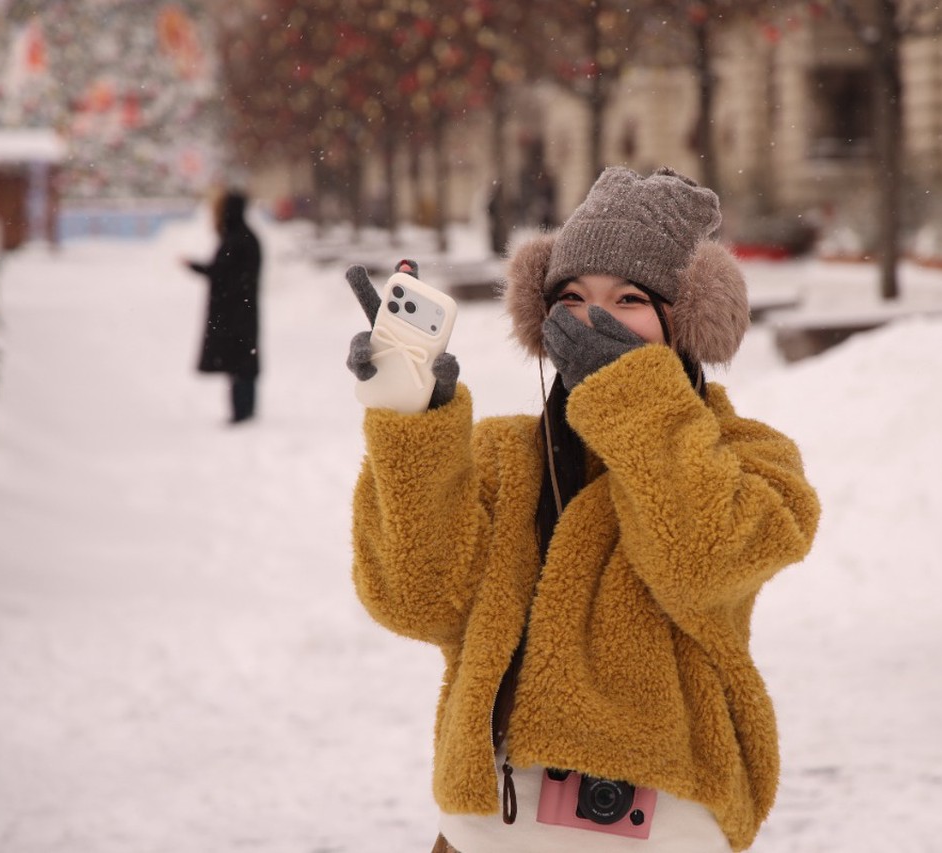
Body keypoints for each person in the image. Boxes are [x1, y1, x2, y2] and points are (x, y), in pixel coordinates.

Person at [346, 166, 820, 852]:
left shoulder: (750, 457)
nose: (593, 320)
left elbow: (700, 562)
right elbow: (416, 599)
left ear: (684, 321)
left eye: (628, 298)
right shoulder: (505, 454)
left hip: (660, 833)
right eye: (571, 297)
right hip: (486, 833)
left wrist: (629, 392)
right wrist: (410, 419)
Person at [184, 189, 262, 424]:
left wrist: (195, 267)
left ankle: (242, 411)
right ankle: (243, 410)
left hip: (235, 312)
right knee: (242, 362)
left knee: (239, 362)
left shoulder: (237, 238)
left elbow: (220, 271)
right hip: (241, 310)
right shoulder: (245, 236)